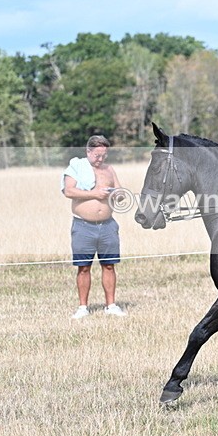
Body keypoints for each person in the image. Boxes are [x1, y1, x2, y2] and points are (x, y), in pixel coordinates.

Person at [61, 135, 127, 318]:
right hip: (83, 226)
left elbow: (120, 190)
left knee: (109, 266)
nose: (100, 159)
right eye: (97, 155)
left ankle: (111, 305)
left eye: (104, 155)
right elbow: (68, 191)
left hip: (107, 226)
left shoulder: (109, 169)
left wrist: (118, 194)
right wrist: (94, 194)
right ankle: (83, 307)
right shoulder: (76, 167)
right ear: (88, 151)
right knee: (83, 267)